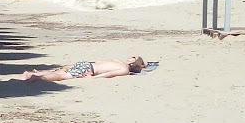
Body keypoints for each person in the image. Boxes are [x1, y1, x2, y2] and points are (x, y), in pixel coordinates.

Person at [19, 56, 148, 81]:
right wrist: (93, 77)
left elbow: (98, 61)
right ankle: (35, 77)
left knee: (60, 71)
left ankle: (29, 73)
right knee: (62, 76)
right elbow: (109, 74)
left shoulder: (116, 60)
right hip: (90, 69)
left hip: (87, 64)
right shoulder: (124, 69)